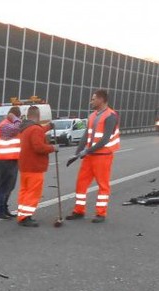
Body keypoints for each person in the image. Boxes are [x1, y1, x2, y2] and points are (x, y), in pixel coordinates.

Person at [65, 89, 121, 223]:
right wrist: (76, 154)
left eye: (93, 99)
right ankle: (79, 210)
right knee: (81, 183)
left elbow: (105, 139)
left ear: (101, 100)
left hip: (103, 156)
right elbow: (85, 136)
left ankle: (100, 214)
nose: (91, 101)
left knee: (103, 185)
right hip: (90, 156)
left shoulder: (111, 116)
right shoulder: (92, 116)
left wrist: (86, 151)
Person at [15, 106, 59, 227]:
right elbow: (39, 147)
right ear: (38, 116)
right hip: (35, 166)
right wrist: (52, 148)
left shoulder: (25, 128)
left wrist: (48, 127)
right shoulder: (35, 129)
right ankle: (26, 216)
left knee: (24, 191)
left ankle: (22, 214)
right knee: (33, 192)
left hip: (25, 166)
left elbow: (37, 133)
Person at [0, 106, 22, 219]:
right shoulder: (5, 125)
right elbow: (18, 128)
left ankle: (4, 208)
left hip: (12, 160)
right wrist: (15, 118)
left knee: (10, 186)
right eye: (18, 117)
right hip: (5, 161)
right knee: (5, 186)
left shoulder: (10, 123)